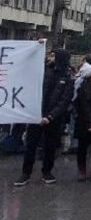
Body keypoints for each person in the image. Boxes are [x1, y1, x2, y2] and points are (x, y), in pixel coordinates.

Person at [15, 49, 74, 186]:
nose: (50, 57)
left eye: (53, 55)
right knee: (31, 145)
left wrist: (50, 116)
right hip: (36, 115)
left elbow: (65, 101)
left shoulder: (68, 76)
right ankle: (26, 173)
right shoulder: (43, 70)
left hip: (53, 118)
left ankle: (47, 171)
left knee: (50, 146)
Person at [73, 65, 91, 181]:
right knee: (82, 148)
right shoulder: (82, 89)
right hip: (85, 123)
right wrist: (90, 124)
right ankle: (82, 171)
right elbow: (84, 108)